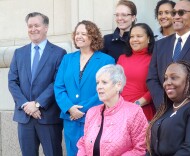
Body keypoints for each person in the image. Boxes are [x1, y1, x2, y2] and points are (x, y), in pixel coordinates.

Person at [8, 12, 66, 156]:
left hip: (48, 116)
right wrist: (26, 105)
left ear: (46, 28)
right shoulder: (19, 53)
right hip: (25, 117)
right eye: (30, 26)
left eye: (37, 25)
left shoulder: (59, 53)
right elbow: (12, 82)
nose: (33, 29)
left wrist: (38, 103)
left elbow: (57, 82)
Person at [54, 20, 115, 156]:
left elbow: (106, 89)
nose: (79, 36)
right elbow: (59, 87)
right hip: (70, 118)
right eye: (77, 33)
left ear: (93, 36)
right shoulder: (67, 59)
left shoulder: (107, 60)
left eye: (84, 33)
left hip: (94, 117)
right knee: (73, 152)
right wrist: (69, 107)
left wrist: (82, 109)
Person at [77, 64, 148, 156]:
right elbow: (83, 142)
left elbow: (140, 148)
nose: (99, 86)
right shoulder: (92, 112)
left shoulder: (134, 112)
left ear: (118, 85)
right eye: (97, 83)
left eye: (104, 82)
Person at [117, 23, 155, 121]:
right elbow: (114, 84)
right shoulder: (122, 58)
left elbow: (157, 86)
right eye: (132, 36)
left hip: (142, 110)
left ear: (149, 38)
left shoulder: (155, 58)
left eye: (139, 36)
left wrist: (137, 104)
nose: (134, 39)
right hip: (119, 110)